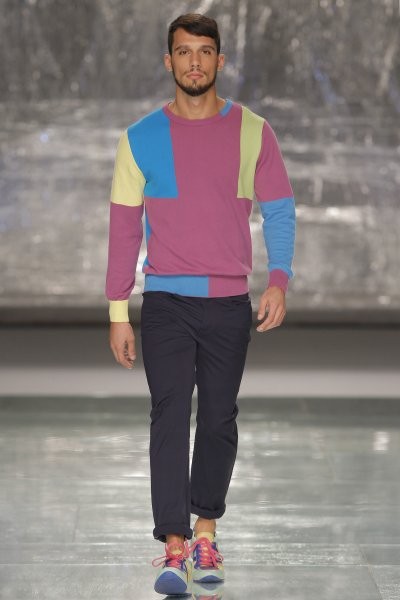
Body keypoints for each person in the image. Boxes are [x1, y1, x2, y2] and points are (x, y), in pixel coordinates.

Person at [105, 12, 296, 596]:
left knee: (217, 417)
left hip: (228, 302)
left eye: (205, 51)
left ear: (219, 60)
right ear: (169, 61)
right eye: (184, 52)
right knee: (168, 414)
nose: (194, 62)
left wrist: (279, 280)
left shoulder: (253, 131)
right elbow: (123, 230)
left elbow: (280, 209)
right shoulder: (139, 138)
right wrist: (117, 311)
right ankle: (174, 547)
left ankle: (206, 533)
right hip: (165, 300)